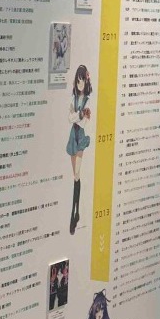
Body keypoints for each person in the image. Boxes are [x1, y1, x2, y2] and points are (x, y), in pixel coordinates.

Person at [66, 65, 92, 235]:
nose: (80, 84)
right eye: (78, 81)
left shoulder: (88, 101)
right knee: (75, 176)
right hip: (72, 136)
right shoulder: (73, 99)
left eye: (82, 80)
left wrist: (78, 116)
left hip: (81, 137)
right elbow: (70, 119)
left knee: (77, 173)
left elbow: (84, 123)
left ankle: (74, 213)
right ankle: (76, 213)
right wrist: (79, 115)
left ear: (86, 81)